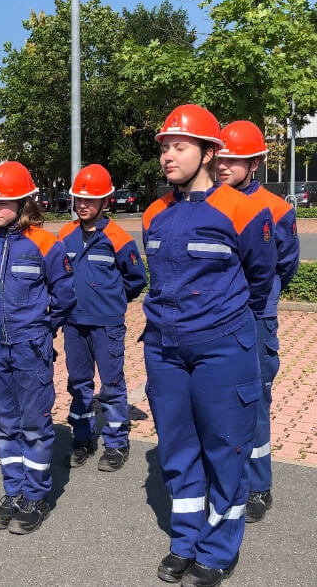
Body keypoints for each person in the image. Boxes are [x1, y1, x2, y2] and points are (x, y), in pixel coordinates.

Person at [143, 104, 275, 586]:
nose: (168, 156)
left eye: (179, 146)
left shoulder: (242, 209)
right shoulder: (156, 213)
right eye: (163, 147)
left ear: (208, 152)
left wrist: (223, 318)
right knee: (177, 450)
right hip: (164, 348)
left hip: (222, 346)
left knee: (224, 447)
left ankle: (219, 549)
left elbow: (261, 278)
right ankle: (185, 540)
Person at [0, 161, 76, 535]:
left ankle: (35, 496)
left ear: (24, 202)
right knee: (5, 426)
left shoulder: (46, 244)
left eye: (3, 204)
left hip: (30, 349)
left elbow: (65, 297)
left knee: (34, 425)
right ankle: (13, 492)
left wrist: (40, 328)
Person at [217, 120, 300, 523]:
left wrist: (259, 298)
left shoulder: (277, 208)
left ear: (254, 164)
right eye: (221, 158)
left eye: (234, 160)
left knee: (255, 404)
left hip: (255, 319)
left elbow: (285, 265)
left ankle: (258, 487)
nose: (224, 166)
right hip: (218, 322)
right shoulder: (208, 203)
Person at [57, 164, 146, 472]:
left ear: (105, 201)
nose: (83, 204)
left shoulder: (119, 238)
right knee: (78, 383)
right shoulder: (65, 234)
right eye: (79, 199)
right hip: (74, 324)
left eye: (90, 200)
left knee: (111, 384)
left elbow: (136, 278)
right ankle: (82, 439)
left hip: (106, 324)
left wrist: (113, 300)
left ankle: (116, 443)